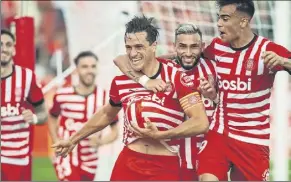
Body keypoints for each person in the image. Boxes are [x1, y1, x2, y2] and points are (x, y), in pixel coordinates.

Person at [51, 15, 209, 181]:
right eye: (129, 47)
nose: (133, 53)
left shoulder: (177, 77)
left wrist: (163, 134)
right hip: (128, 163)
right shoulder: (121, 81)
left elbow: (200, 122)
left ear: (153, 46)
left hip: (165, 165)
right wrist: (72, 140)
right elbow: (106, 114)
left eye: (139, 47)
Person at [195, 0, 291, 181]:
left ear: (243, 21)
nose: (218, 24)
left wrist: (284, 62)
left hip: (253, 142)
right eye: (218, 18)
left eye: (225, 19)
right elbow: (188, 58)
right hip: (220, 134)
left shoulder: (267, 50)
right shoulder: (216, 47)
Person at [113, 23, 220, 181]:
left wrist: (214, 96)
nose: (188, 53)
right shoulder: (167, 67)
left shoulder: (214, 68)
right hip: (179, 155)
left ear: (202, 46)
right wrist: (145, 81)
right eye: (182, 46)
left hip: (208, 151)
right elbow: (120, 59)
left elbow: (232, 106)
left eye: (194, 47)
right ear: (174, 46)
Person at [48, 51, 119, 181]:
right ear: (76, 70)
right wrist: (55, 140)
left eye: (93, 66)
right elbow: (52, 117)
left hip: (90, 159)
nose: (89, 70)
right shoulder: (62, 95)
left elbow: (115, 132)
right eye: (85, 67)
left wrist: (100, 142)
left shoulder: (105, 98)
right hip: (67, 155)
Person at [1, 28, 48, 181]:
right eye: (0, 44)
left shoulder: (27, 77)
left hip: (16, 158)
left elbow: (43, 115)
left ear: (14, 50)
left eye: (8, 45)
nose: (4, 48)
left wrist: (34, 118)